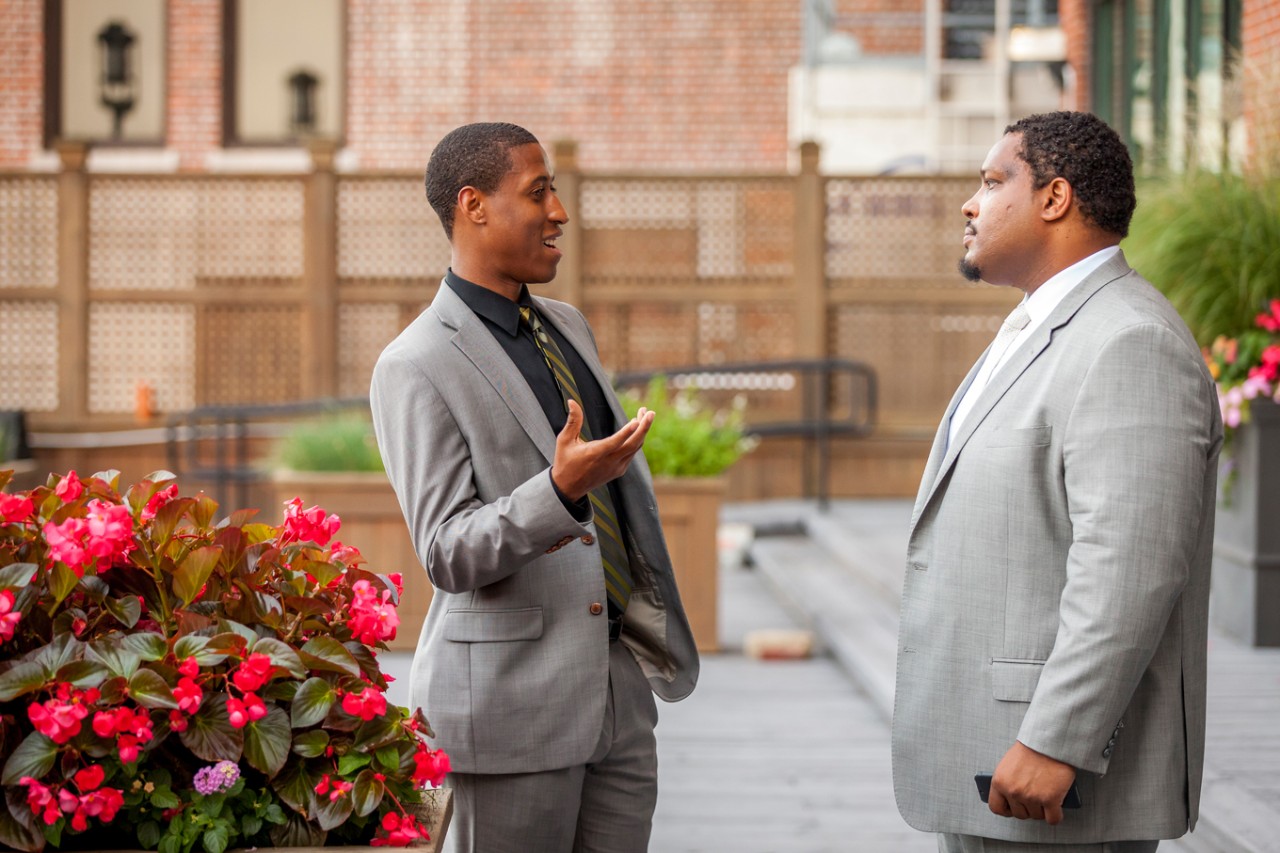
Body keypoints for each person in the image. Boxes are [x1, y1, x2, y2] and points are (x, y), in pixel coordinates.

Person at [891, 111, 1222, 853]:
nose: (971, 204)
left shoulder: (1130, 341)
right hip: (988, 760)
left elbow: (1130, 570)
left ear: (1055, 198)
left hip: (1052, 779)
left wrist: (1055, 741)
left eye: (991, 180)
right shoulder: (1039, 327)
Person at [370, 122, 698, 853]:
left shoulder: (567, 325)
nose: (560, 212)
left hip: (617, 695)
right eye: (538, 191)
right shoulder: (414, 362)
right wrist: (558, 489)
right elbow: (447, 550)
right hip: (508, 710)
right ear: (473, 206)